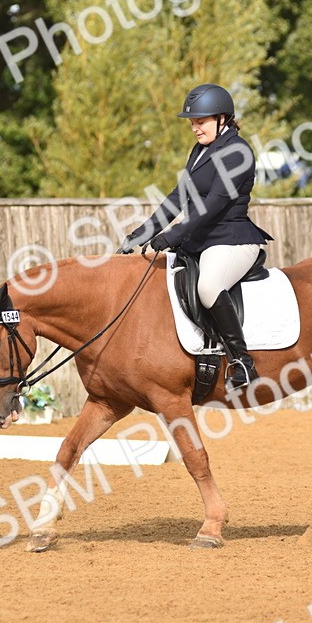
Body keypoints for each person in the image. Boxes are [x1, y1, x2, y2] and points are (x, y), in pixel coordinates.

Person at [117, 83, 274, 392]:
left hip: (232, 240)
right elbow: (179, 196)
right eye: (192, 122)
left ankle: (242, 361)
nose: (194, 127)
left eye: (200, 121)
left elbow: (212, 204)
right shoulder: (201, 151)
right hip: (202, 240)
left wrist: (171, 235)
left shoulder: (238, 152)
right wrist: (144, 232)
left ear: (222, 118)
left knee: (209, 285)